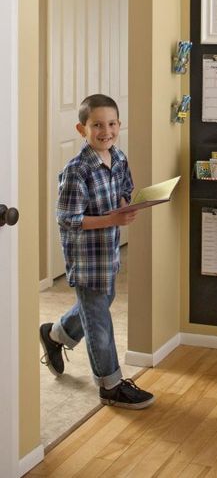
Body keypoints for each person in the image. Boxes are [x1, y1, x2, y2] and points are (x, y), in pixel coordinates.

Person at [40, 94, 154, 410]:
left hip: (109, 255)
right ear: (82, 129)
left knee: (98, 308)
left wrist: (125, 205)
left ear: (120, 125)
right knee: (100, 322)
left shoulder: (118, 158)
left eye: (112, 124)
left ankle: (55, 334)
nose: (106, 131)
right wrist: (112, 219)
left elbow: (124, 191)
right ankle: (110, 385)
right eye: (97, 125)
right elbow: (68, 219)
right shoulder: (77, 170)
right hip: (86, 259)